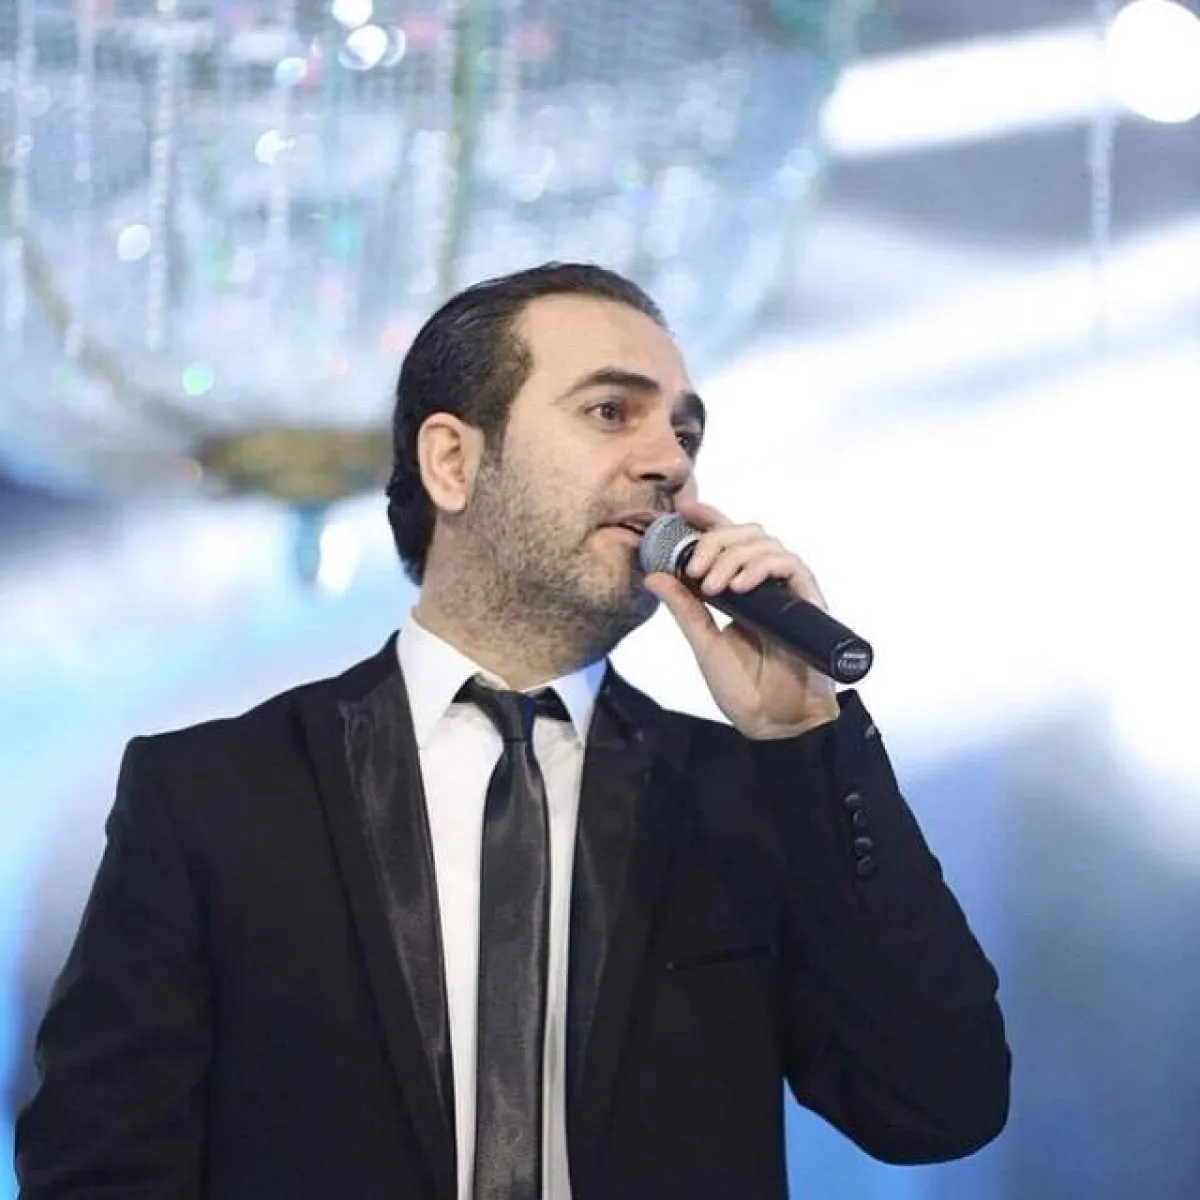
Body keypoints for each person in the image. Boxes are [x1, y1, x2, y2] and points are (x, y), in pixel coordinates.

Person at [14, 263, 1010, 1199]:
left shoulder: (745, 794)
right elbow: (98, 1168)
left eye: (686, 433)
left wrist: (806, 741)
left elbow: (939, 1103)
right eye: (611, 411)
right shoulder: (214, 794)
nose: (669, 462)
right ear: (453, 461)